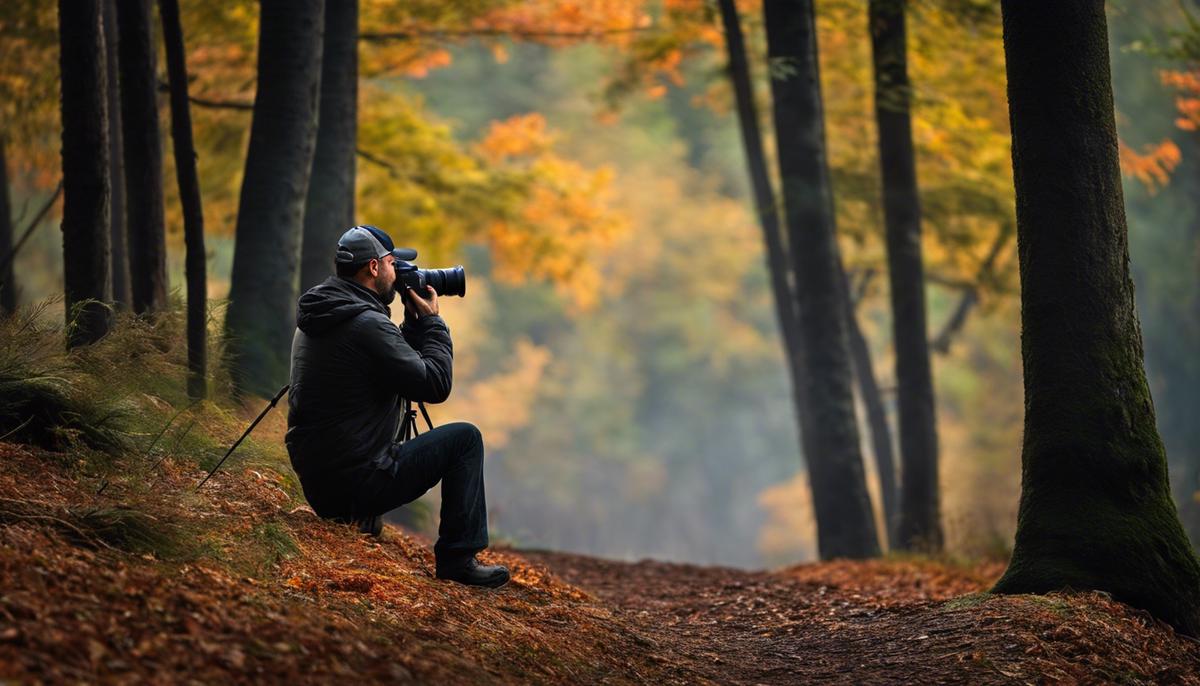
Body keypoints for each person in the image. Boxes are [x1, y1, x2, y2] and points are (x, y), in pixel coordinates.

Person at [285, 225, 509, 588]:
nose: (400, 273)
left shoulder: (325, 313)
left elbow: (388, 363)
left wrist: (411, 323)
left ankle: (357, 516)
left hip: (322, 481)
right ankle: (457, 559)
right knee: (465, 439)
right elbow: (435, 385)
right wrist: (433, 323)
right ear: (374, 268)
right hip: (356, 482)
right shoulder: (366, 324)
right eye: (393, 264)